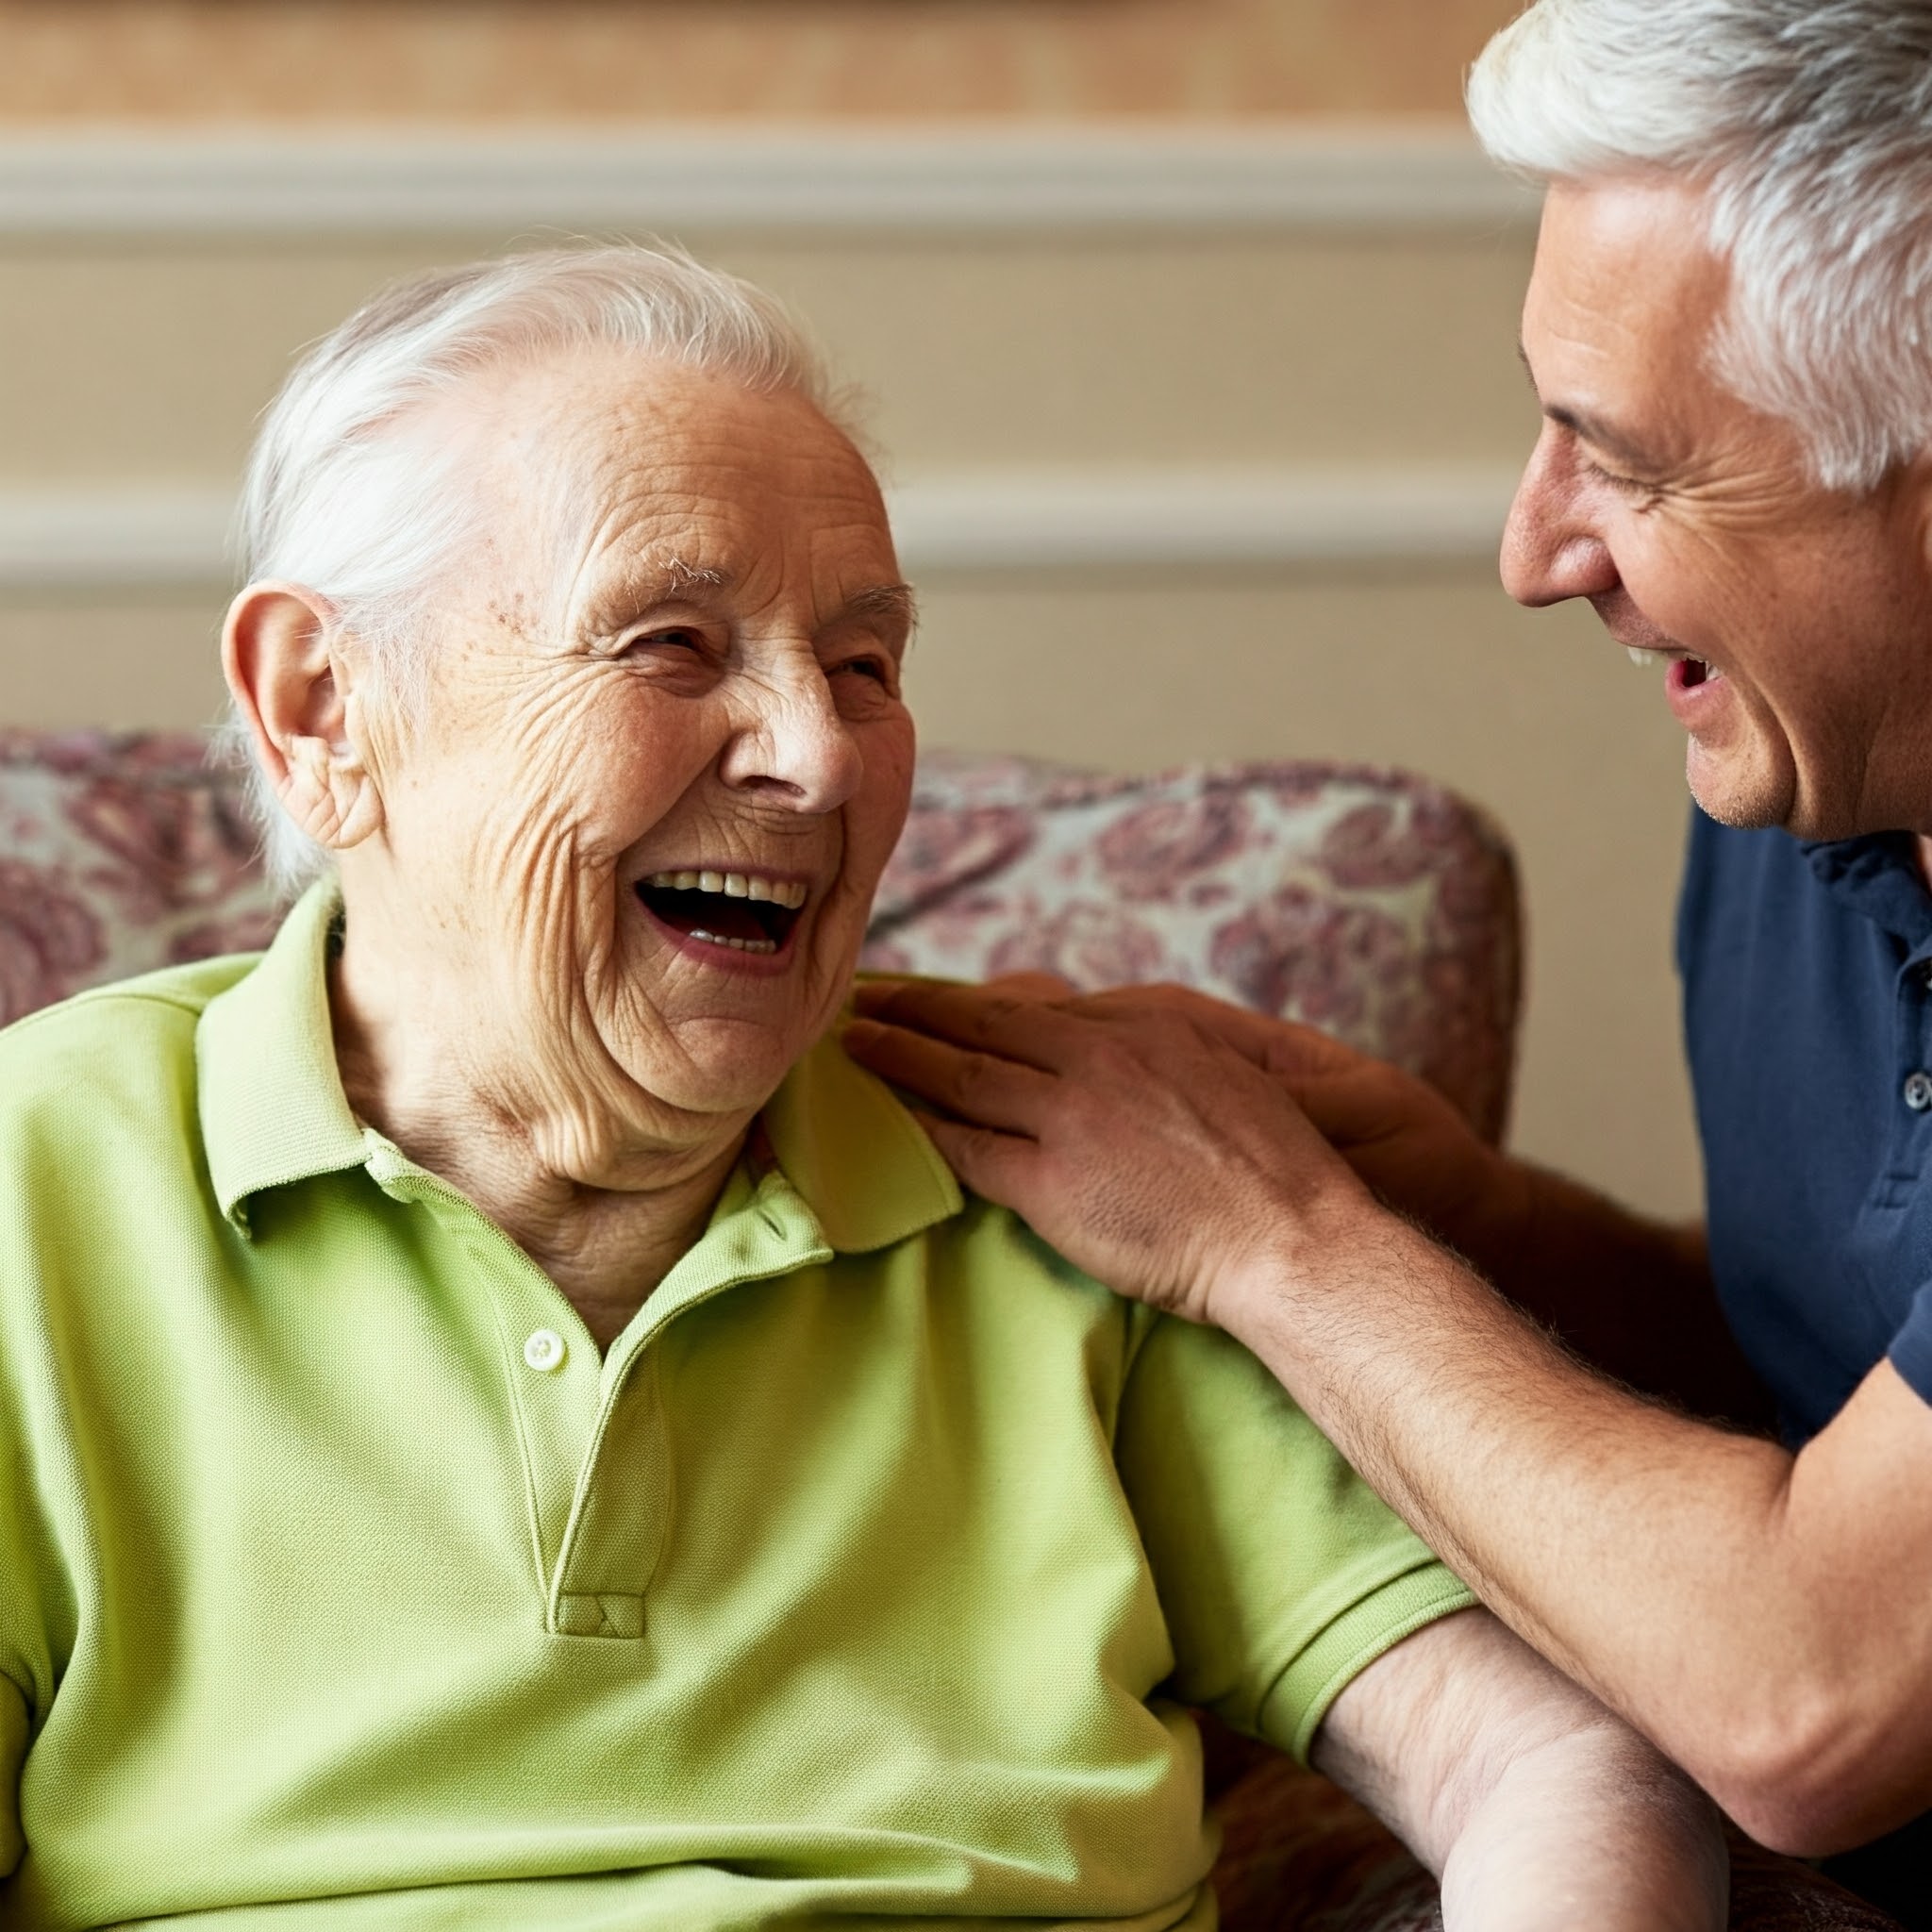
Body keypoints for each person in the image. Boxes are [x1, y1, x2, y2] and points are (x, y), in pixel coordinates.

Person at [0, 245, 1724, 1929]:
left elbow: (1553, 1764)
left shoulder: (1062, 1172)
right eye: (674, 643)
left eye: (865, 666)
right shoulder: (44, 1183)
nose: (818, 756)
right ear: (324, 708)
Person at [842, 3, 1932, 1925]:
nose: (1532, 552)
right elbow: (1860, 1376)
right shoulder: (1797, 765)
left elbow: (1809, 1695)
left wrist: (1275, 1242)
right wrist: (1466, 1220)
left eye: (1630, 465)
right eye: (1543, 422)